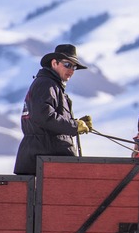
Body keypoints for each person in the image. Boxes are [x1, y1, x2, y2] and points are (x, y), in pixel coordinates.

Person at [13, 43, 94, 175]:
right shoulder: (46, 84)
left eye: (74, 67)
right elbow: (44, 116)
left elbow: (48, 118)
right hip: (45, 161)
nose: (71, 70)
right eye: (67, 65)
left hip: (45, 158)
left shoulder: (50, 85)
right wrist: (74, 126)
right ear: (54, 63)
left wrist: (77, 123)